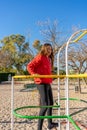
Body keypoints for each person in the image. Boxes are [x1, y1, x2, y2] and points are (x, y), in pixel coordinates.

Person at [27, 43, 58, 130]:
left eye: (50, 49)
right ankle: (39, 128)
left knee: (51, 103)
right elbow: (29, 66)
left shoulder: (48, 59)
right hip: (40, 82)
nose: (50, 51)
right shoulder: (40, 56)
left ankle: (50, 123)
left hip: (47, 82)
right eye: (48, 49)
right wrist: (34, 74)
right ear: (44, 49)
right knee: (44, 105)